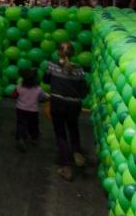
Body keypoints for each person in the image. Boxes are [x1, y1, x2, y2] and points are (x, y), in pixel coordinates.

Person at [44, 42, 89, 181]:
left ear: (58, 53)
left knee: (61, 134)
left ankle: (66, 167)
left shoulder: (52, 65)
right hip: (74, 104)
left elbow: (46, 80)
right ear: (74, 54)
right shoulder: (79, 70)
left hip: (58, 102)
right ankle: (76, 153)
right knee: (73, 128)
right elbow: (84, 91)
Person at [11, 68, 48, 152]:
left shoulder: (19, 87)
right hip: (33, 110)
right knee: (33, 125)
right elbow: (43, 97)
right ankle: (34, 138)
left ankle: (20, 138)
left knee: (21, 124)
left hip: (20, 109)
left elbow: (13, 95)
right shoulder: (38, 89)